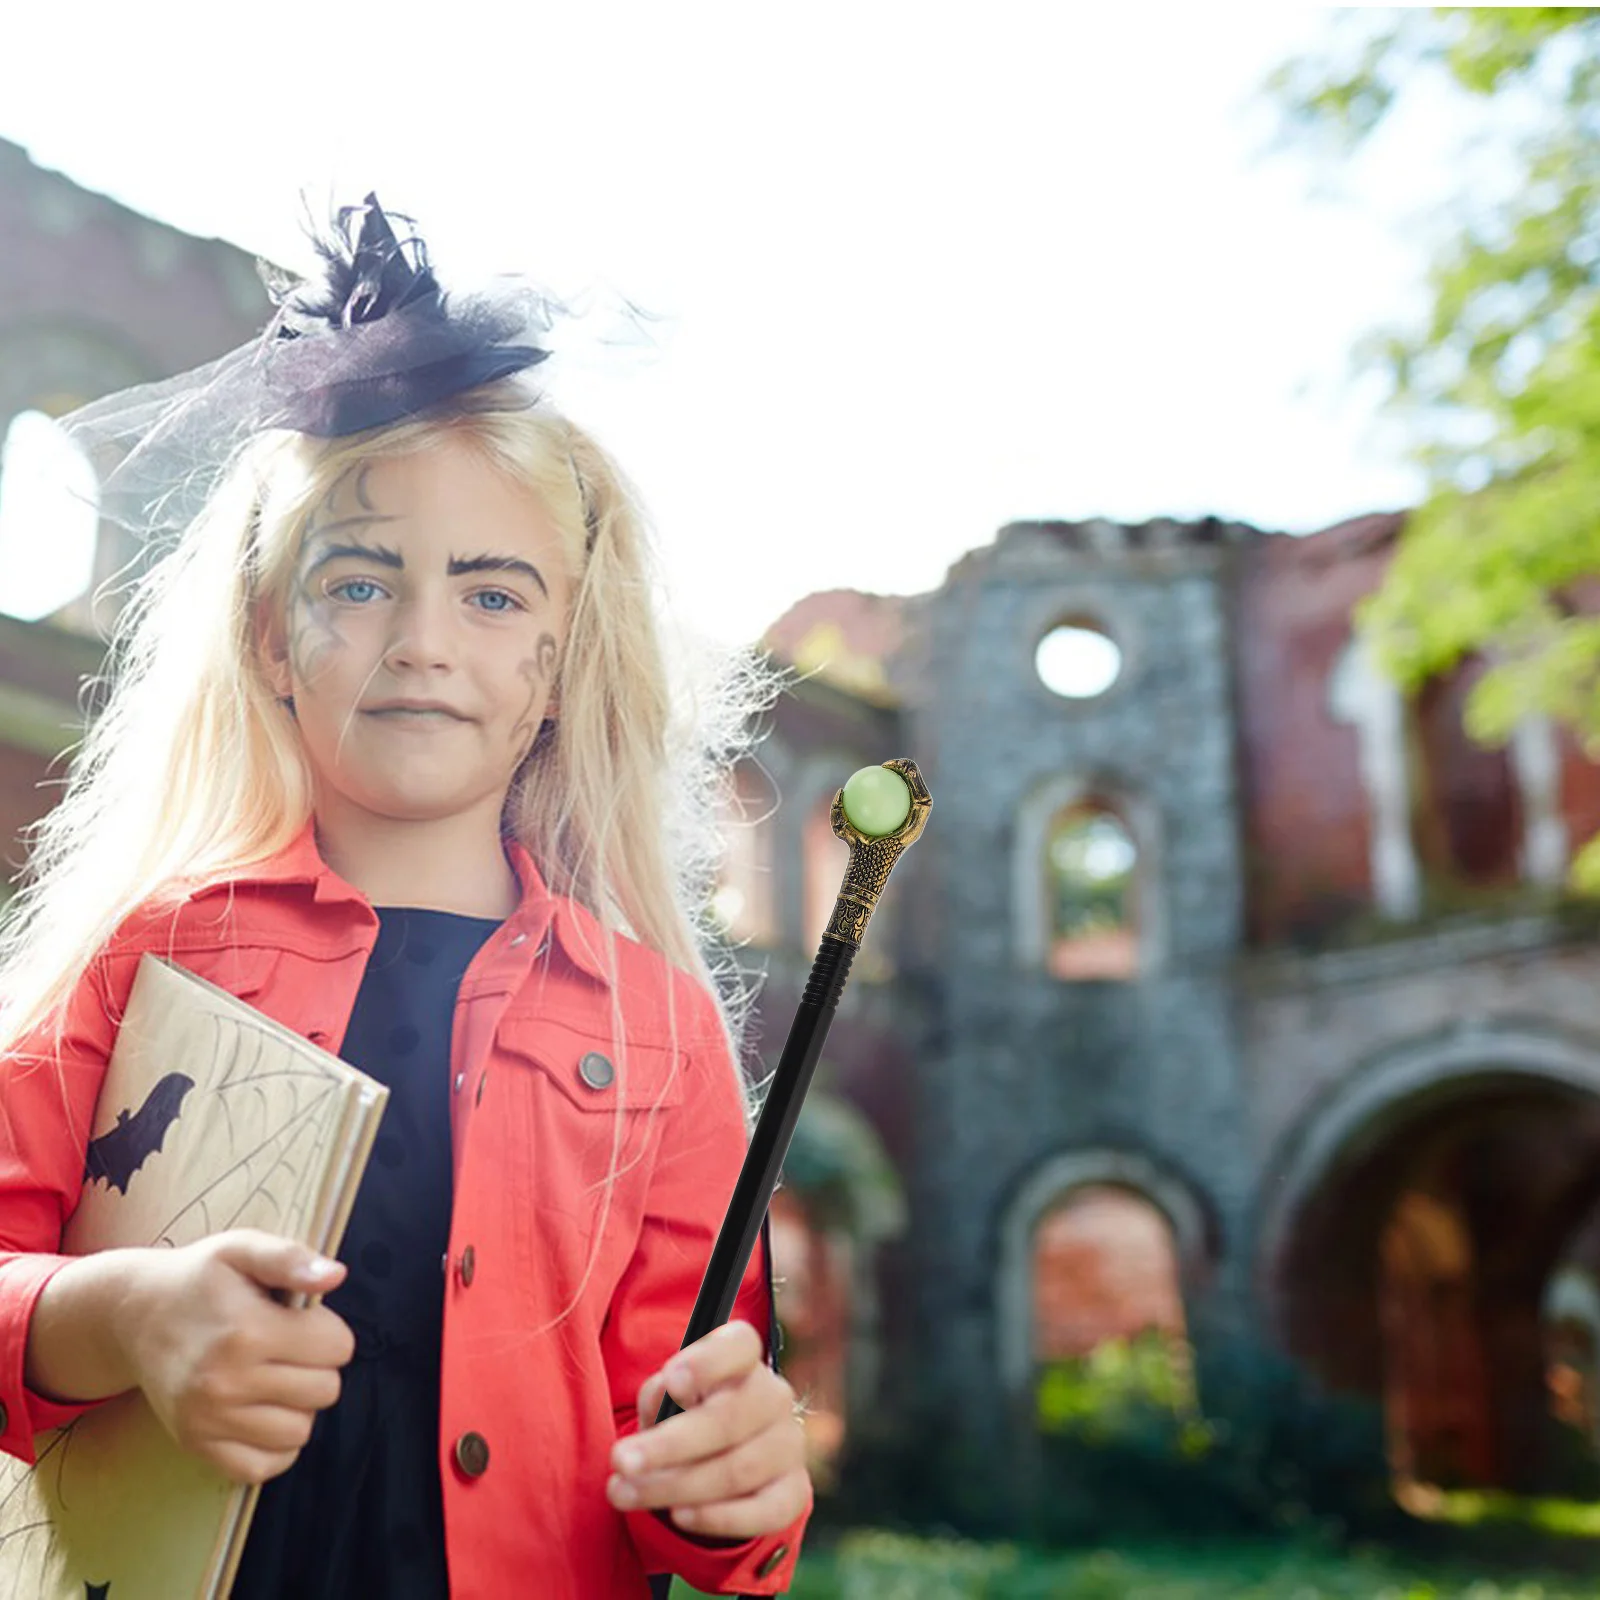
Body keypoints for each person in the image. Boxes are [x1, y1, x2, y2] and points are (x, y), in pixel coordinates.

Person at [0, 197, 811, 1597]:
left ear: (561, 665)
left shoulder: (660, 1029)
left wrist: (736, 1481)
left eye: (493, 598)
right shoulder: (148, 957)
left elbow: (686, 1436)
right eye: (362, 582)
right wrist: (117, 1314)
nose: (425, 641)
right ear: (270, 637)